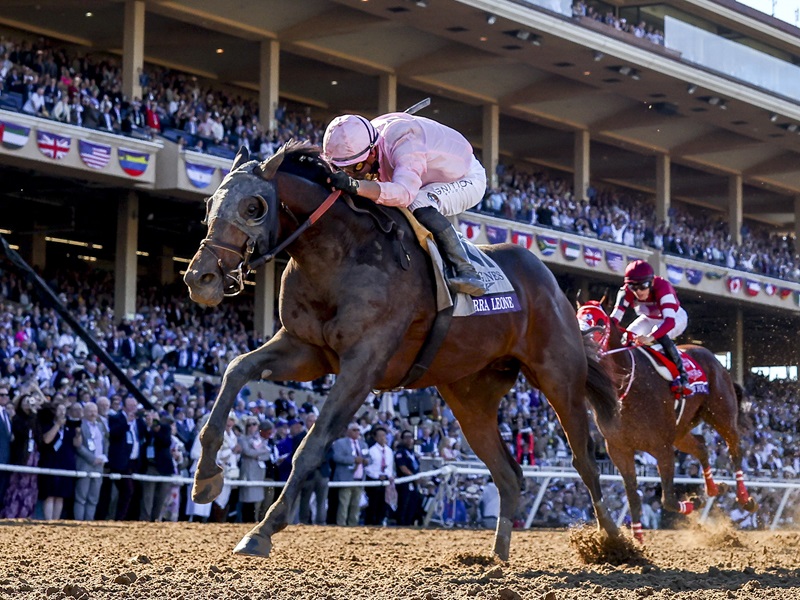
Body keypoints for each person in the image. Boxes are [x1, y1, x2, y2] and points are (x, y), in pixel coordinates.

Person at [322, 112, 488, 297]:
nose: (351, 174)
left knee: (418, 202)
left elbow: (405, 194)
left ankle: (466, 270)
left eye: (356, 168)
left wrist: (356, 186)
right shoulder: (364, 138)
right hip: (423, 176)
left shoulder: (406, 142)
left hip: (465, 177)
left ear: (373, 152)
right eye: (342, 169)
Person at [610, 259, 691, 396]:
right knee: (625, 338)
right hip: (649, 319)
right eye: (633, 288)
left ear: (652, 282)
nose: (639, 292)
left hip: (675, 317)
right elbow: (613, 321)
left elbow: (669, 322)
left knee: (660, 335)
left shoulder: (663, 287)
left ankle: (682, 377)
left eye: (643, 286)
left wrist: (650, 338)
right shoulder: (625, 292)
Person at [74, 401, 108, 521]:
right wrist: (92, 459)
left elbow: (105, 443)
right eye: (90, 411)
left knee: (93, 498)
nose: (93, 413)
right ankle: (79, 522)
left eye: (95, 411)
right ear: (85, 412)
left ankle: (89, 522)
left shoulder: (100, 426)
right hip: (85, 465)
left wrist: (104, 457)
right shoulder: (80, 425)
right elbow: (78, 446)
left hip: (99, 466)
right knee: (81, 497)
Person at [332, 422, 369, 526]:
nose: (357, 432)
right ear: (348, 431)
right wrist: (353, 460)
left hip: (359, 479)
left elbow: (369, 457)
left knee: (356, 504)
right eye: (354, 430)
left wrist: (366, 461)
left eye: (358, 430)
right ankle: (342, 524)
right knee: (344, 503)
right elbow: (337, 457)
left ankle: (353, 524)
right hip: (346, 478)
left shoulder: (363, 444)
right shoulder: (340, 443)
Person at [364, 425, 394, 525]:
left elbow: (389, 466)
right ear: (376, 438)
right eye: (380, 436)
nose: (382, 438)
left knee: (383, 504)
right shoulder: (371, 451)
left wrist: (389, 475)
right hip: (373, 480)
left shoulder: (389, 451)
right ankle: (371, 523)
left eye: (384, 435)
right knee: (373, 504)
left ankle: (380, 522)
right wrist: (377, 476)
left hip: (385, 481)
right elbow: (368, 468)